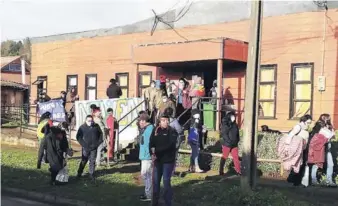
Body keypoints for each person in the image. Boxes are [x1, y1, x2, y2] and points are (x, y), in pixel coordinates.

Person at [150, 114, 178, 206]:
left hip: (168, 161)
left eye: (166, 120)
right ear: (159, 121)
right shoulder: (155, 130)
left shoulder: (172, 131)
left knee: (166, 182)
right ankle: (155, 202)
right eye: (163, 120)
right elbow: (151, 142)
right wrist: (152, 152)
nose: (165, 122)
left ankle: (168, 202)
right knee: (155, 182)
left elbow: (170, 145)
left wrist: (157, 151)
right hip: (157, 161)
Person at [277, 114, 312, 186]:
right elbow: (290, 135)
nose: (309, 124)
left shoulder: (305, 128)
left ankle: (295, 180)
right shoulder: (298, 127)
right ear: (304, 121)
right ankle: (295, 181)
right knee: (298, 164)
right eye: (308, 122)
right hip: (297, 149)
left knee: (301, 164)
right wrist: (287, 146)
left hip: (303, 149)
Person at [308, 114, 336, 187]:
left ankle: (328, 180)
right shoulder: (319, 126)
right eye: (326, 118)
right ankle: (313, 180)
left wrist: (330, 131)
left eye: (328, 118)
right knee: (317, 164)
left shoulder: (329, 127)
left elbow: (333, 135)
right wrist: (330, 133)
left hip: (327, 148)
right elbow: (329, 135)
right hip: (320, 148)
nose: (328, 120)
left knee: (331, 164)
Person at [76, 115, 103, 181]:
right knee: (84, 160)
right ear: (86, 121)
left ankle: (91, 174)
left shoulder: (96, 126)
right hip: (86, 147)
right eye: (89, 121)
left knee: (92, 161)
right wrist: (83, 144)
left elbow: (101, 134)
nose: (90, 122)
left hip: (94, 147)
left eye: (91, 121)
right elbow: (78, 137)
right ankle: (79, 172)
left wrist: (97, 143)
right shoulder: (82, 127)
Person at [138, 113, 155, 202]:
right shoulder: (145, 129)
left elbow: (149, 143)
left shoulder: (149, 129)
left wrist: (150, 155)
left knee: (146, 175)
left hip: (147, 156)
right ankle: (148, 192)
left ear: (144, 121)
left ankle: (149, 194)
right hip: (144, 155)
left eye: (141, 121)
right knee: (146, 175)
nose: (139, 122)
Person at [219, 111, 241, 176]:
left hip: (234, 144)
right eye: (233, 116)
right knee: (224, 157)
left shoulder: (235, 125)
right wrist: (229, 141)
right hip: (227, 144)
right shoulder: (225, 124)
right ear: (229, 116)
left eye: (234, 116)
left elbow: (237, 134)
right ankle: (221, 170)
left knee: (236, 157)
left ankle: (238, 171)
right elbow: (224, 134)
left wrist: (237, 140)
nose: (234, 117)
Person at [164, 107, 183, 175]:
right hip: (172, 141)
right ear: (172, 113)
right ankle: (171, 171)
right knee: (173, 157)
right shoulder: (174, 121)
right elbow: (179, 130)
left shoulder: (162, 120)